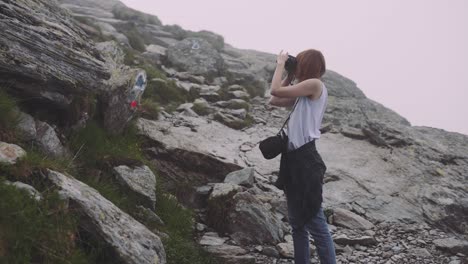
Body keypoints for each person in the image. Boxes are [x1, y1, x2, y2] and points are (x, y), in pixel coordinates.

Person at [269, 49, 336, 264]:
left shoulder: (315, 85)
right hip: (292, 159)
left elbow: (274, 89)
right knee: (297, 223)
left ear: (307, 65)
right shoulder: (303, 91)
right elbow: (274, 100)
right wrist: (290, 74)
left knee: (315, 223)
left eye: (298, 63)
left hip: (306, 160)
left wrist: (280, 64)